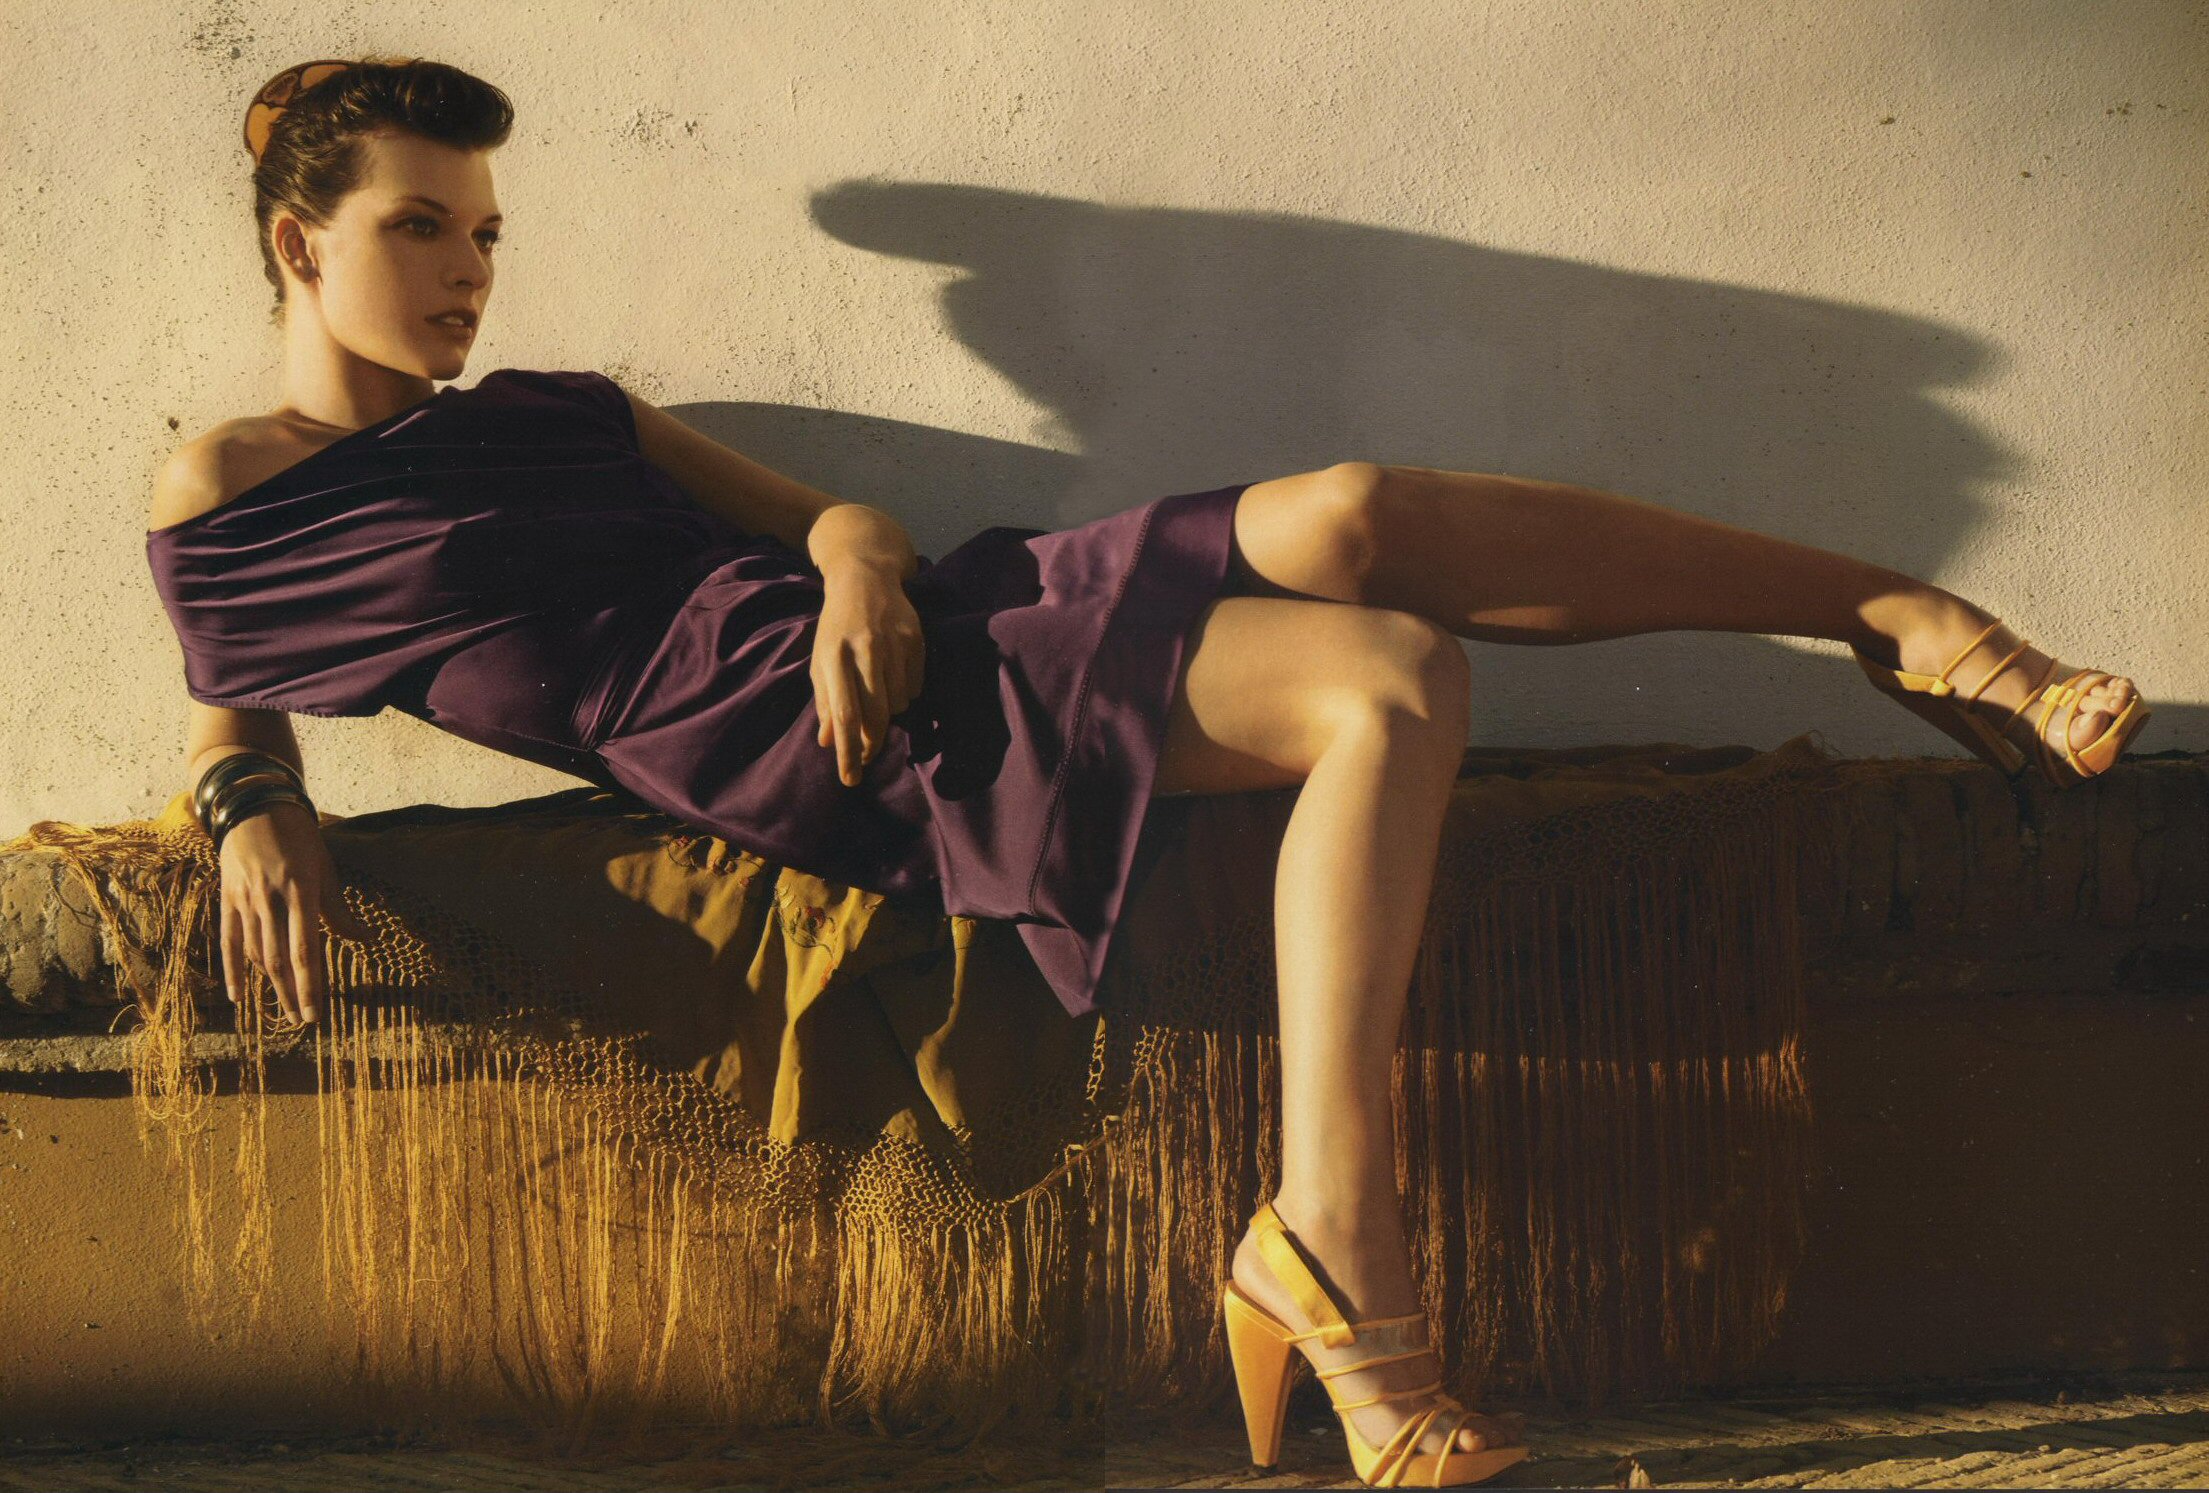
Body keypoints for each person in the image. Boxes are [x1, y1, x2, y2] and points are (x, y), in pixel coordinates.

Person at [148, 56, 2149, 1489]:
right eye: (420, 227)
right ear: (299, 241)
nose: (469, 266)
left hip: (907, 629)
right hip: (823, 745)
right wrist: (251, 809)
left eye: (487, 230)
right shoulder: (229, 485)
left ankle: (1894, 608)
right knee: (1385, 678)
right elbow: (230, 690)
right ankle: (1335, 1249)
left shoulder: (564, 408)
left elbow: (830, 515)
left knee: (1355, 512)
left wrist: (857, 566)